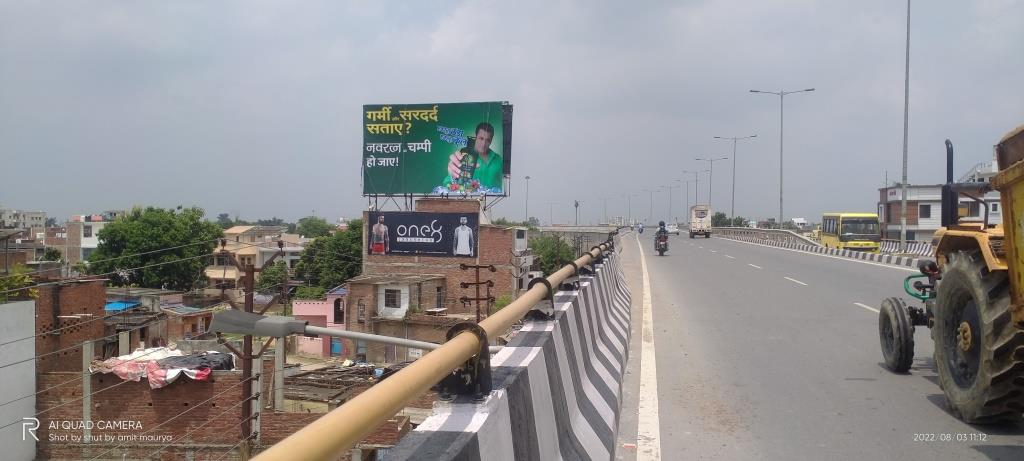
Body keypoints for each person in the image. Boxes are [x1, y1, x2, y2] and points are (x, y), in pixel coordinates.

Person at [443, 122, 503, 192]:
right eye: (481, 138)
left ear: (491, 141)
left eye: (488, 140)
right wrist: (452, 178)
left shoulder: (499, 160)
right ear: (476, 137)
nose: (483, 144)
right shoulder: (462, 156)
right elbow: (447, 184)